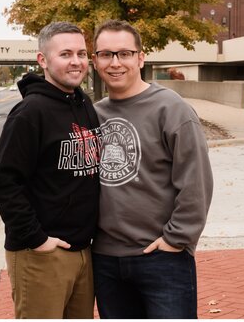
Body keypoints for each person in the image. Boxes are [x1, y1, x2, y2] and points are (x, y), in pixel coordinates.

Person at [91, 19, 214, 319]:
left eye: (124, 53)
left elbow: (196, 182)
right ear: (95, 61)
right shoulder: (93, 115)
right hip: (106, 261)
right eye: (106, 54)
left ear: (141, 58)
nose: (115, 62)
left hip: (162, 259)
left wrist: (176, 239)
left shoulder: (171, 109)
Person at [0, 22, 102, 319]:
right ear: (43, 60)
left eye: (81, 53)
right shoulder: (30, 113)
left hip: (83, 251)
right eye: (65, 54)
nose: (76, 61)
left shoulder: (84, 104)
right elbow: (3, 184)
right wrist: (37, 239)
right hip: (41, 254)